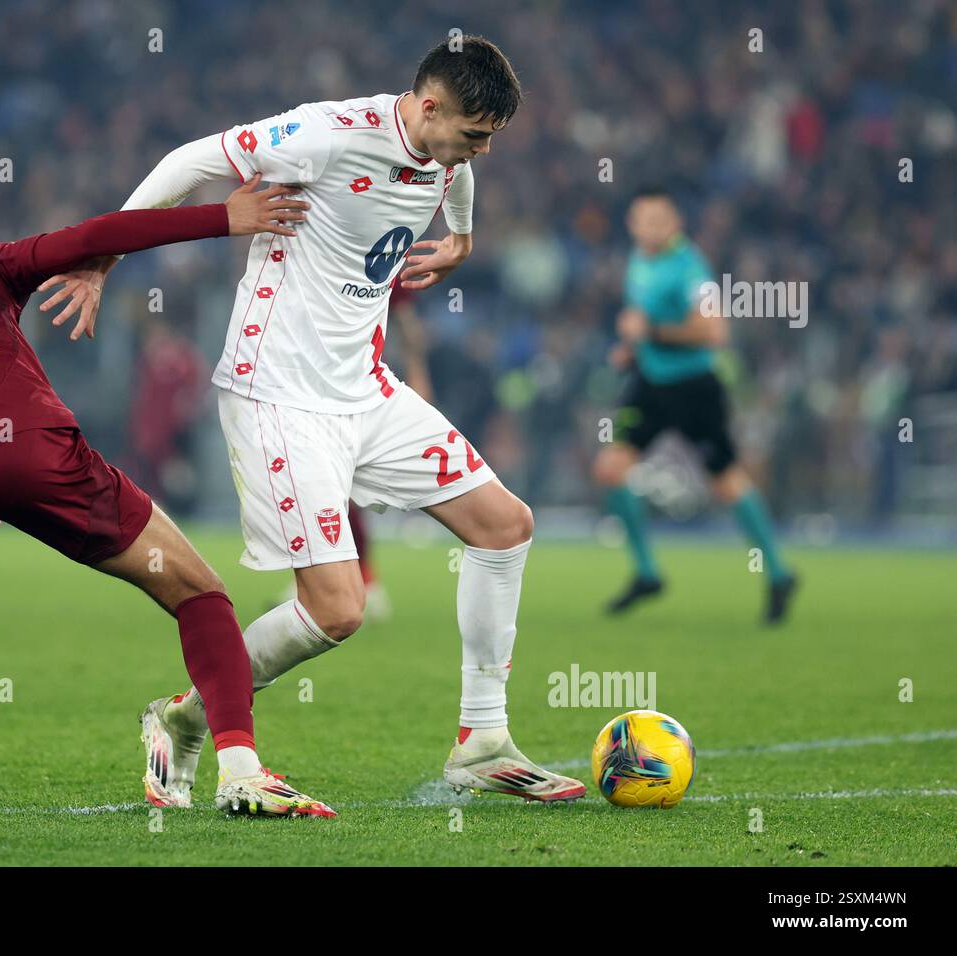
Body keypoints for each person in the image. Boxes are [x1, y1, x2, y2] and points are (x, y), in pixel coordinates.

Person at [41, 36, 586, 807]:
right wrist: (104, 254)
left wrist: (461, 237)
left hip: (365, 390)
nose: (482, 152)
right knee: (338, 608)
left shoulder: (446, 152)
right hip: (279, 399)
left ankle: (483, 738)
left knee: (504, 525)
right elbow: (191, 161)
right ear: (429, 106)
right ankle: (185, 719)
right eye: (474, 133)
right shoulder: (326, 133)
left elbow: (455, 175)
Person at [0, 177, 335, 818]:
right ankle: (241, 768)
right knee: (199, 592)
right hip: (39, 452)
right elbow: (97, 235)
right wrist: (226, 216)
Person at [591, 186, 798, 624]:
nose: (649, 229)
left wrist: (651, 333)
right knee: (610, 469)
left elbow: (715, 332)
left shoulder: (690, 270)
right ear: (632, 224)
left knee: (724, 482)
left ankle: (778, 572)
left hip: (695, 389)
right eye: (642, 220)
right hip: (649, 384)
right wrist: (632, 350)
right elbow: (642, 324)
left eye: (658, 221)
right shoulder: (638, 260)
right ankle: (647, 572)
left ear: (675, 223)